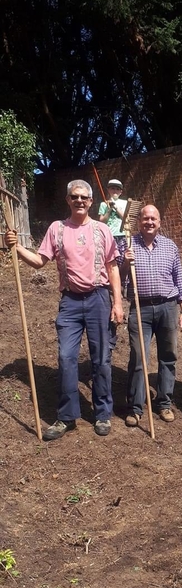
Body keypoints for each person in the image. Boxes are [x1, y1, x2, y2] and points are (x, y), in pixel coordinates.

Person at [4, 179, 124, 440]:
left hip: (99, 298)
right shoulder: (57, 229)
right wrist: (16, 246)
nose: (79, 201)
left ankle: (102, 414)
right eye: (75, 197)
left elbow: (113, 268)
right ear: (68, 200)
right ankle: (67, 416)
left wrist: (117, 303)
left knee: (101, 358)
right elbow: (39, 262)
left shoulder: (102, 230)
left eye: (84, 197)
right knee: (66, 358)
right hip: (69, 302)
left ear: (91, 202)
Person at [119, 204, 182, 425]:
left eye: (153, 219)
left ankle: (164, 403)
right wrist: (124, 263)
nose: (149, 222)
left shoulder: (170, 246)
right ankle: (136, 407)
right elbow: (118, 280)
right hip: (140, 308)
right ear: (139, 221)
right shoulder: (127, 244)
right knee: (139, 357)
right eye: (145, 218)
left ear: (159, 222)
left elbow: (180, 279)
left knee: (168, 356)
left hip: (168, 306)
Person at [98, 178, 127, 243]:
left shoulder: (125, 203)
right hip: (109, 234)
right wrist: (109, 209)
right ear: (108, 190)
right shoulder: (103, 204)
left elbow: (126, 219)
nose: (115, 191)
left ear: (121, 192)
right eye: (112, 188)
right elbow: (102, 221)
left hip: (122, 234)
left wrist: (116, 208)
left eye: (117, 189)